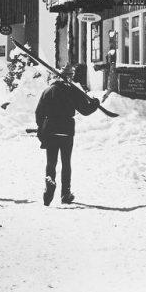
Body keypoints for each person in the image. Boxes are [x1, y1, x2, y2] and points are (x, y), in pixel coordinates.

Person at [34, 63, 100, 206]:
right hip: (66, 131)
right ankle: (65, 193)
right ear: (69, 77)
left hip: (51, 130)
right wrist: (95, 104)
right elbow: (85, 110)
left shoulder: (47, 91)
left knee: (51, 162)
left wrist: (41, 127)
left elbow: (39, 113)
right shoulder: (73, 91)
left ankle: (50, 181)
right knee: (66, 162)